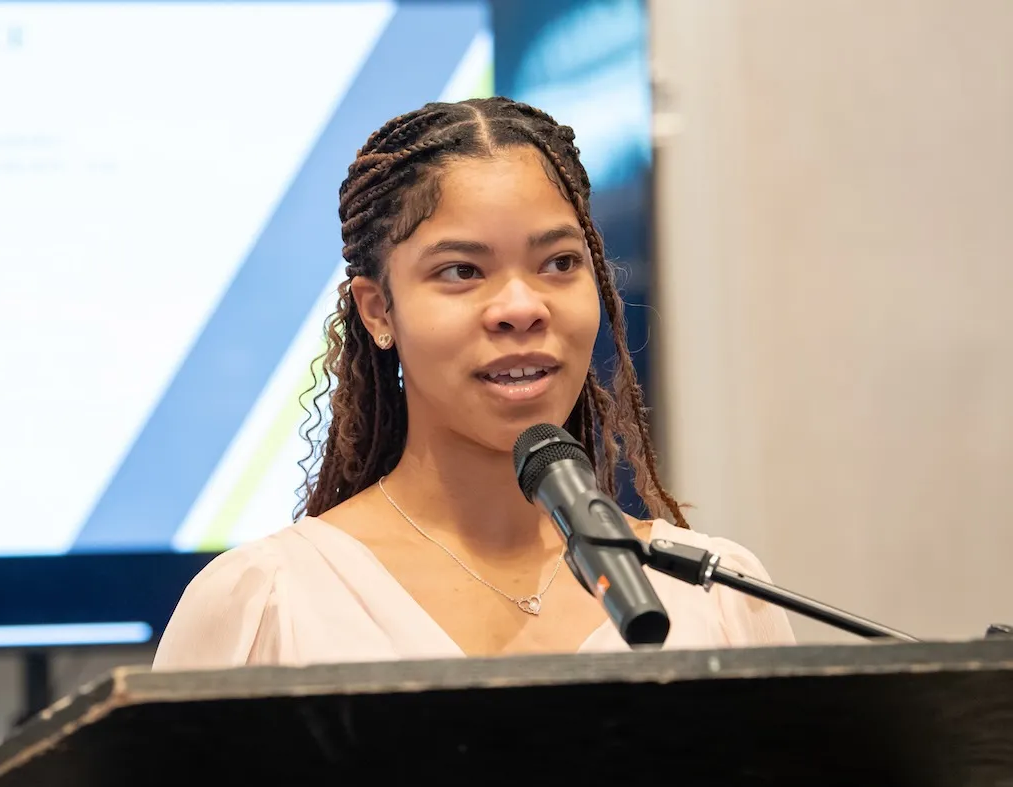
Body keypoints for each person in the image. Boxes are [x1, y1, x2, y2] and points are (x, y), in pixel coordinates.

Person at [153, 97, 794, 670]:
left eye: (559, 263)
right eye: (461, 271)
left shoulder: (716, 598)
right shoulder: (269, 602)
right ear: (378, 311)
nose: (521, 307)